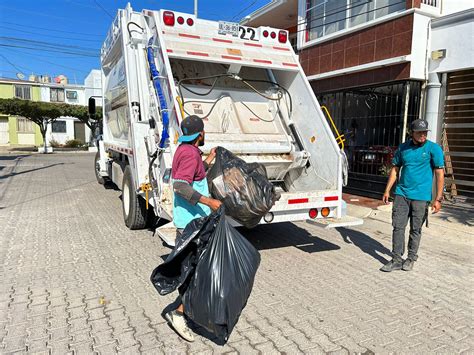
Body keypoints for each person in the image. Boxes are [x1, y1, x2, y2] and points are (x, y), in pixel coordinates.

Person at [164, 115, 222, 342]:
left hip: (191, 220)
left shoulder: (186, 149)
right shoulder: (189, 153)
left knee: (195, 269)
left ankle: (186, 308)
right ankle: (178, 313)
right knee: (197, 272)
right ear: (201, 134)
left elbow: (195, 173)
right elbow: (180, 186)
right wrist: (210, 202)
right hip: (191, 223)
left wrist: (208, 160)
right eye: (204, 132)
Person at [380, 119, 445, 272]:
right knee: (398, 227)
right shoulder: (403, 148)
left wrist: (438, 198)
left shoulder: (433, 149)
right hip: (402, 194)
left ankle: (410, 258)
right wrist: (387, 190)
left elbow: (440, 174)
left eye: (425, 132)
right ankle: (396, 259)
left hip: (421, 197)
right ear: (412, 133)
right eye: (419, 132)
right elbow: (395, 169)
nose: (423, 135)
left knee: (415, 229)